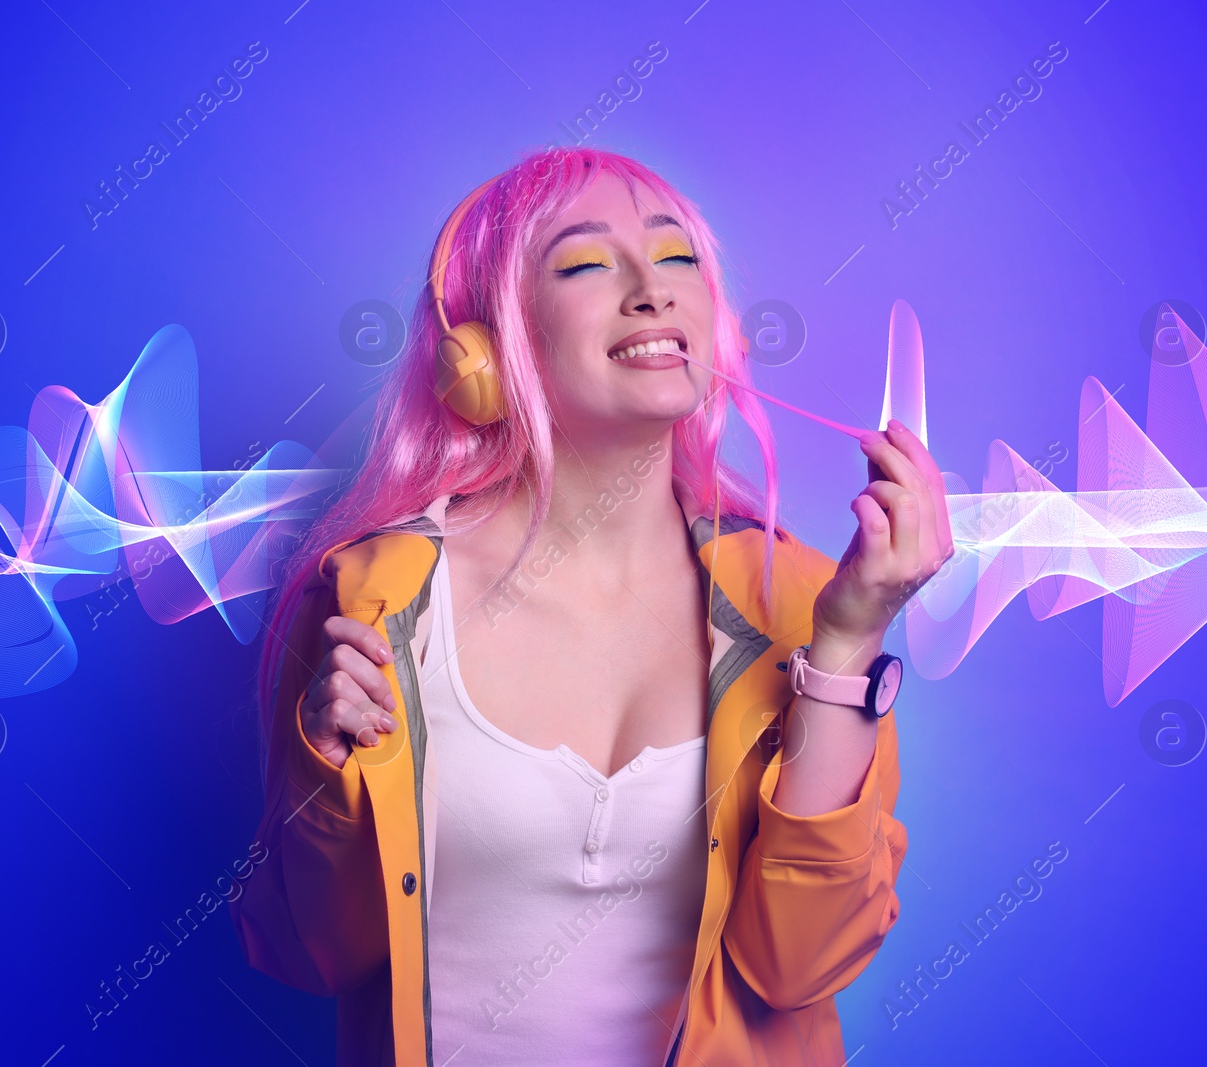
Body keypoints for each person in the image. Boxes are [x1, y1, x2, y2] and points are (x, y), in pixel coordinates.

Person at [231, 145, 953, 1067]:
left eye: (677, 256)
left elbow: (799, 966)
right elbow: (314, 953)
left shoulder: (810, 601)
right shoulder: (372, 599)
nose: (652, 290)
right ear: (485, 350)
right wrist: (323, 770)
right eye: (583, 263)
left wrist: (847, 647)